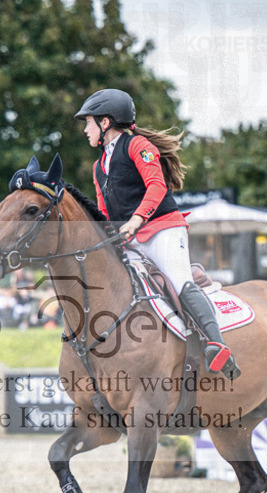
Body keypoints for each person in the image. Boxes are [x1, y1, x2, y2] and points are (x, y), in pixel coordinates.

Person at [75, 88, 238, 377]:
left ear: (105, 122)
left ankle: (217, 344)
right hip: (129, 239)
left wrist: (136, 220)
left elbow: (157, 186)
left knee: (178, 280)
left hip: (163, 229)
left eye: (88, 122)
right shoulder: (98, 166)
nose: (85, 130)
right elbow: (104, 211)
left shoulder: (138, 145)